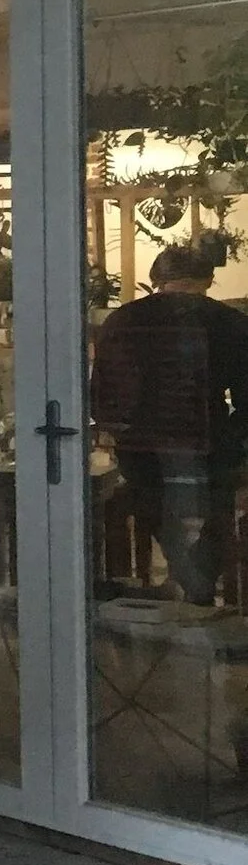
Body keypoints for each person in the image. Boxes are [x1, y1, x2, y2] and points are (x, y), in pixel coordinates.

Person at [93, 239, 248, 607]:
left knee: (155, 510)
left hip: (139, 452)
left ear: (156, 279)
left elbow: (101, 395)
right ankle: (196, 585)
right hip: (206, 448)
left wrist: (118, 431)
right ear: (207, 280)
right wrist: (236, 440)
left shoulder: (122, 320)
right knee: (216, 512)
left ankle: (183, 581)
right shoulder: (229, 322)